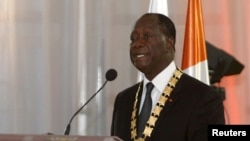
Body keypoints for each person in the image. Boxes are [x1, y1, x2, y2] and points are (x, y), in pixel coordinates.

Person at [111, 13, 225, 141]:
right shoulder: (124, 100)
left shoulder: (203, 98)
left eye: (147, 36)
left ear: (169, 44)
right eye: (133, 39)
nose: (137, 44)